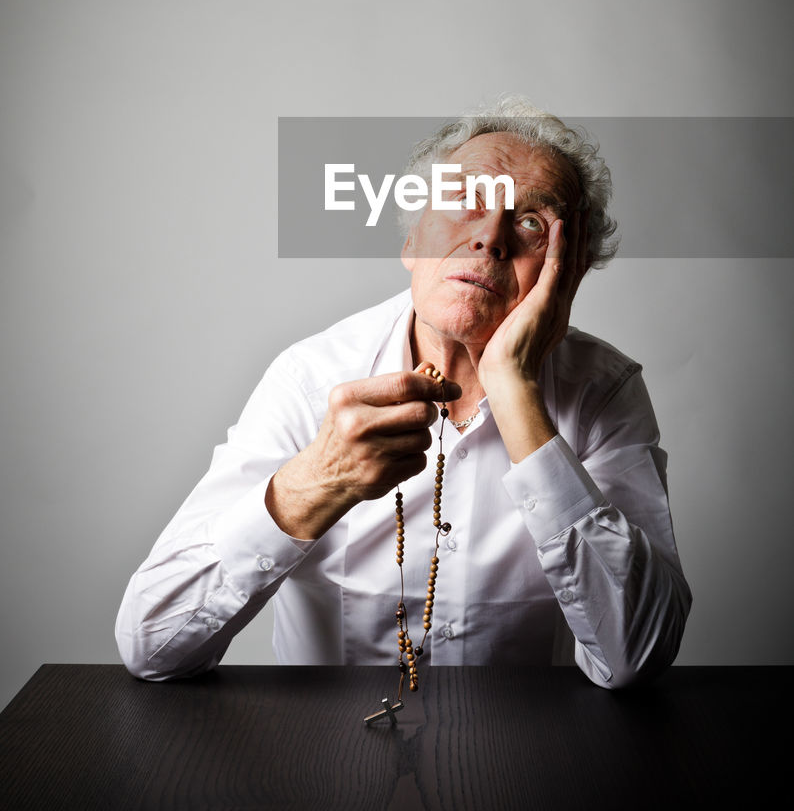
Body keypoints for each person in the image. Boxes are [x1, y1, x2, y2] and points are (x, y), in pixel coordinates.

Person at [116, 99, 691, 691]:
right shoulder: (310, 379)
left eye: (530, 223)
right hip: (323, 764)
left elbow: (637, 657)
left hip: (523, 761)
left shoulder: (603, 392)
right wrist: (314, 482)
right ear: (414, 238)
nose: (489, 238)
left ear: (569, 268)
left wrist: (517, 392)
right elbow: (152, 642)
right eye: (464, 201)